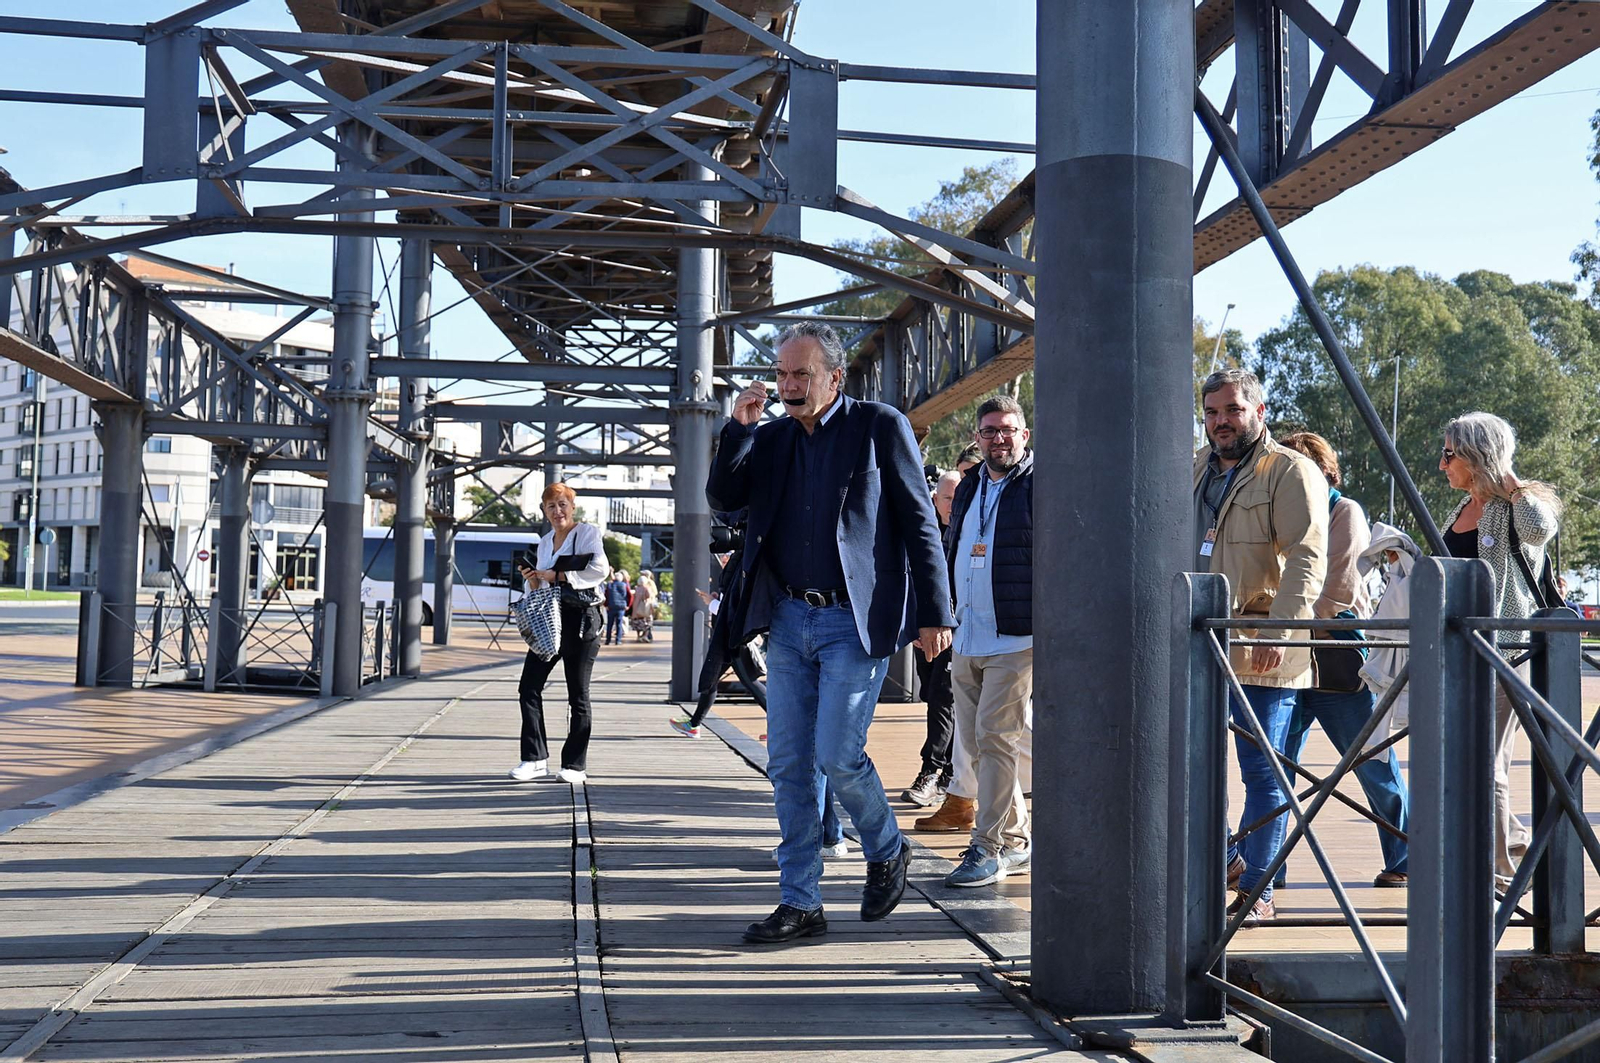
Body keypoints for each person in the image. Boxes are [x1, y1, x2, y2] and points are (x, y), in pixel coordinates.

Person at [707, 319, 954, 945]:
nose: (789, 386)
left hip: (854, 619)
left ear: (835, 377)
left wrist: (936, 613)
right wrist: (738, 428)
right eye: (783, 374)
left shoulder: (879, 426)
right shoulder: (770, 439)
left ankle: (885, 844)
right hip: (788, 619)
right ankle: (800, 902)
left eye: (802, 374)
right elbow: (722, 495)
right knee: (789, 763)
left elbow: (921, 522)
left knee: (837, 754)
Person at [1195, 369, 1328, 927]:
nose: (1221, 422)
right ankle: (1229, 857)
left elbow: (1307, 556)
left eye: (1232, 410)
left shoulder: (1289, 471)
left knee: (1264, 774)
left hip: (1261, 642)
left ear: (1259, 410)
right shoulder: (1197, 468)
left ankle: (1257, 891)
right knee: (1187, 763)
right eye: (1212, 413)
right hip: (1199, 637)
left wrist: (1281, 628)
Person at [1274, 432, 1409, 889]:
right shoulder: (1280, 514)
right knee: (1275, 773)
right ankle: (1268, 869)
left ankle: (1405, 858)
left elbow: (1338, 593)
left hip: (1335, 662)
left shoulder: (1343, 510)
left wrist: (1276, 617)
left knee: (1374, 766)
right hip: (1286, 663)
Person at [1438, 411, 1562, 893]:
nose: (1442, 464)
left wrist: (1508, 478)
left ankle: (1500, 875)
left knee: (1487, 765)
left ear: (1475, 455)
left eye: (1450, 454)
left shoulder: (1517, 504)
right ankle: (1514, 848)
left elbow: (1538, 530)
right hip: (1460, 654)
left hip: (1505, 655)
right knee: (1469, 761)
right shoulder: (1462, 507)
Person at [941, 396, 1035, 889]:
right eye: (990, 430)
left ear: (1025, 435)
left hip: (1016, 635)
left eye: (1009, 429)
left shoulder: (1042, 484)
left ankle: (988, 848)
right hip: (967, 631)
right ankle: (1017, 840)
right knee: (976, 745)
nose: (1000, 437)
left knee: (997, 740)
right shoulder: (972, 482)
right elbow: (954, 549)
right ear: (977, 437)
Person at [510, 483, 609, 785]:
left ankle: (575, 765)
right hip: (548, 618)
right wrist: (533, 578)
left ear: (572, 507)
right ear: (544, 510)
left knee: (577, 694)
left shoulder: (587, 533)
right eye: (551, 506)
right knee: (528, 686)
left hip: (581, 619)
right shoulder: (544, 542)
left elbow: (600, 569)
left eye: (563, 504)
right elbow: (539, 587)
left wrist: (561, 575)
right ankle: (534, 758)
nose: (558, 511)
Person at [901, 468, 961, 808]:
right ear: (935, 499)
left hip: (961, 630)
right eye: (947, 497)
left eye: (957, 497)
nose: (951, 504)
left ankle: (932, 770)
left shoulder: (969, 530)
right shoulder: (924, 534)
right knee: (933, 693)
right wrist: (914, 628)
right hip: (926, 631)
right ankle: (949, 771)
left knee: (943, 694)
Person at [604, 569, 631, 645]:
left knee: (610, 624)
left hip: (611, 607)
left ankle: (608, 640)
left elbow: (606, 595)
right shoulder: (625, 585)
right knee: (619, 624)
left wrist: (606, 605)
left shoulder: (609, 585)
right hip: (621, 607)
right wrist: (628, 605)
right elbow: (630, 596)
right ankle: (618, 640)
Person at [630, 570, 657, 641]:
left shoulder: (637, 588)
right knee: (647, 622)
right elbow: (650, 595)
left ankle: (639, 636)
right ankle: (645, 635)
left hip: (636, 607)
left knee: (638, 622)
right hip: (645, 606)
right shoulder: (647, 586)